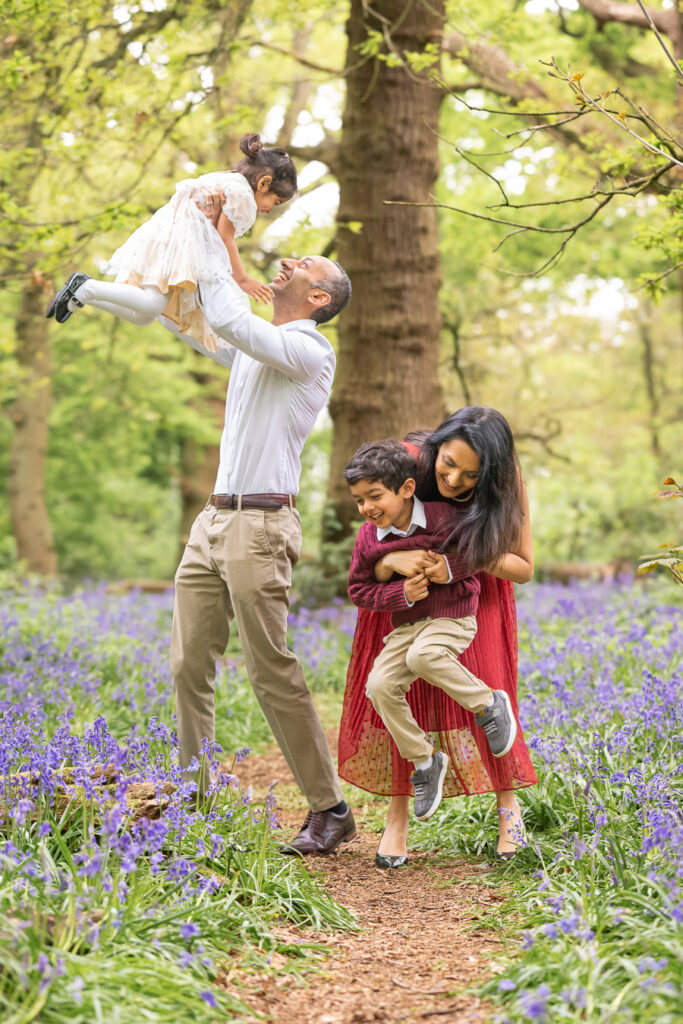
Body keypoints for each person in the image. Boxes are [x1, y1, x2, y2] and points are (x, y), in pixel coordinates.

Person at [338, 408, 537, 867]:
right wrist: (392, 564)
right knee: (389, 689)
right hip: (403, 598)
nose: (453, 479)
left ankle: (509, 807)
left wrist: (458, 561)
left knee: (485, 685)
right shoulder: (410, 462)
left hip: (472, 593)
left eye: (471, 474)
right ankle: (397, 814)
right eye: (448, 463)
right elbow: (372, 530)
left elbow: (523, 567)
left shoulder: (508, 485)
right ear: (437, 447)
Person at [45, 133, 296, 351]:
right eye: (275, 203)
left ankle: (81, 295)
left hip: (164, 237)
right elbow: (224, 238)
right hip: (176, 244)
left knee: (144, 316)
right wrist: (242, 280)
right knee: (151, 304)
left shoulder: (226, 179)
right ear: (264, 184)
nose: (268, 211)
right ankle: (85, 287)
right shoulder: (243, 196)